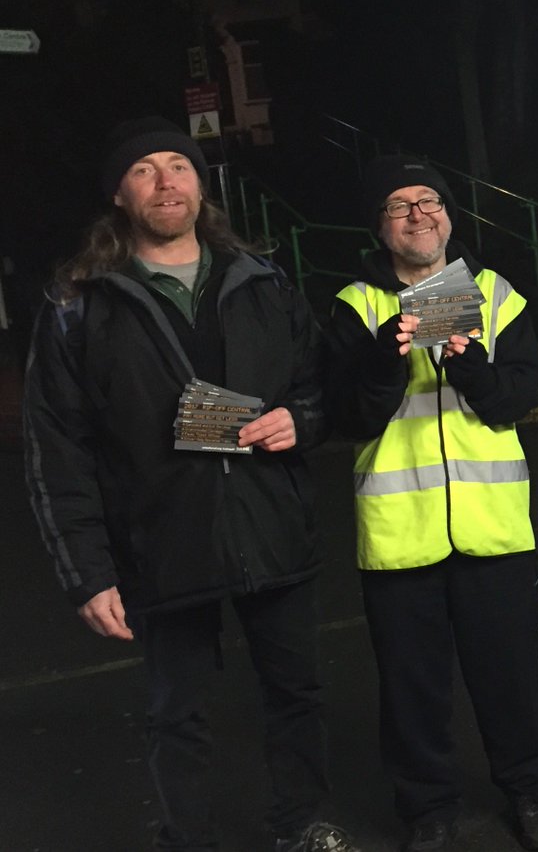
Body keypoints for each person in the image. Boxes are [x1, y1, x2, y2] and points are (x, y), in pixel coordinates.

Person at [23, 117, 356, 852]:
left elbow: (317, 385)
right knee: (178, 712)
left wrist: (298, 419)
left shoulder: (262, 279)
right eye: (145, 169)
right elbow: (57, 447)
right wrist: (86, 572)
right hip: (160, 537)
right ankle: (189, 839)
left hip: (270, 520)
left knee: (295, 693)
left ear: (201, 186)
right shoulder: (81, 305)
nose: (166, 180)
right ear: (119, 194)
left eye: (179, 165)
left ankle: (303, 823)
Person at [324, 155, 538, 852]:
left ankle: (530, 791)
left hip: (494, 527)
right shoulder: (354, 305)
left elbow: (518, 397)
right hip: (400, 532)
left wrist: (472, 366)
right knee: (410, 684)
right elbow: (347, 416)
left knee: (510, 674)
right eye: (400, 205)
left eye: (429, 201)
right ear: (380, 227)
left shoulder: (495, 293)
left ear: (450, 216)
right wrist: (382, 363)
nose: (418, 214)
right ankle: (426, 805)